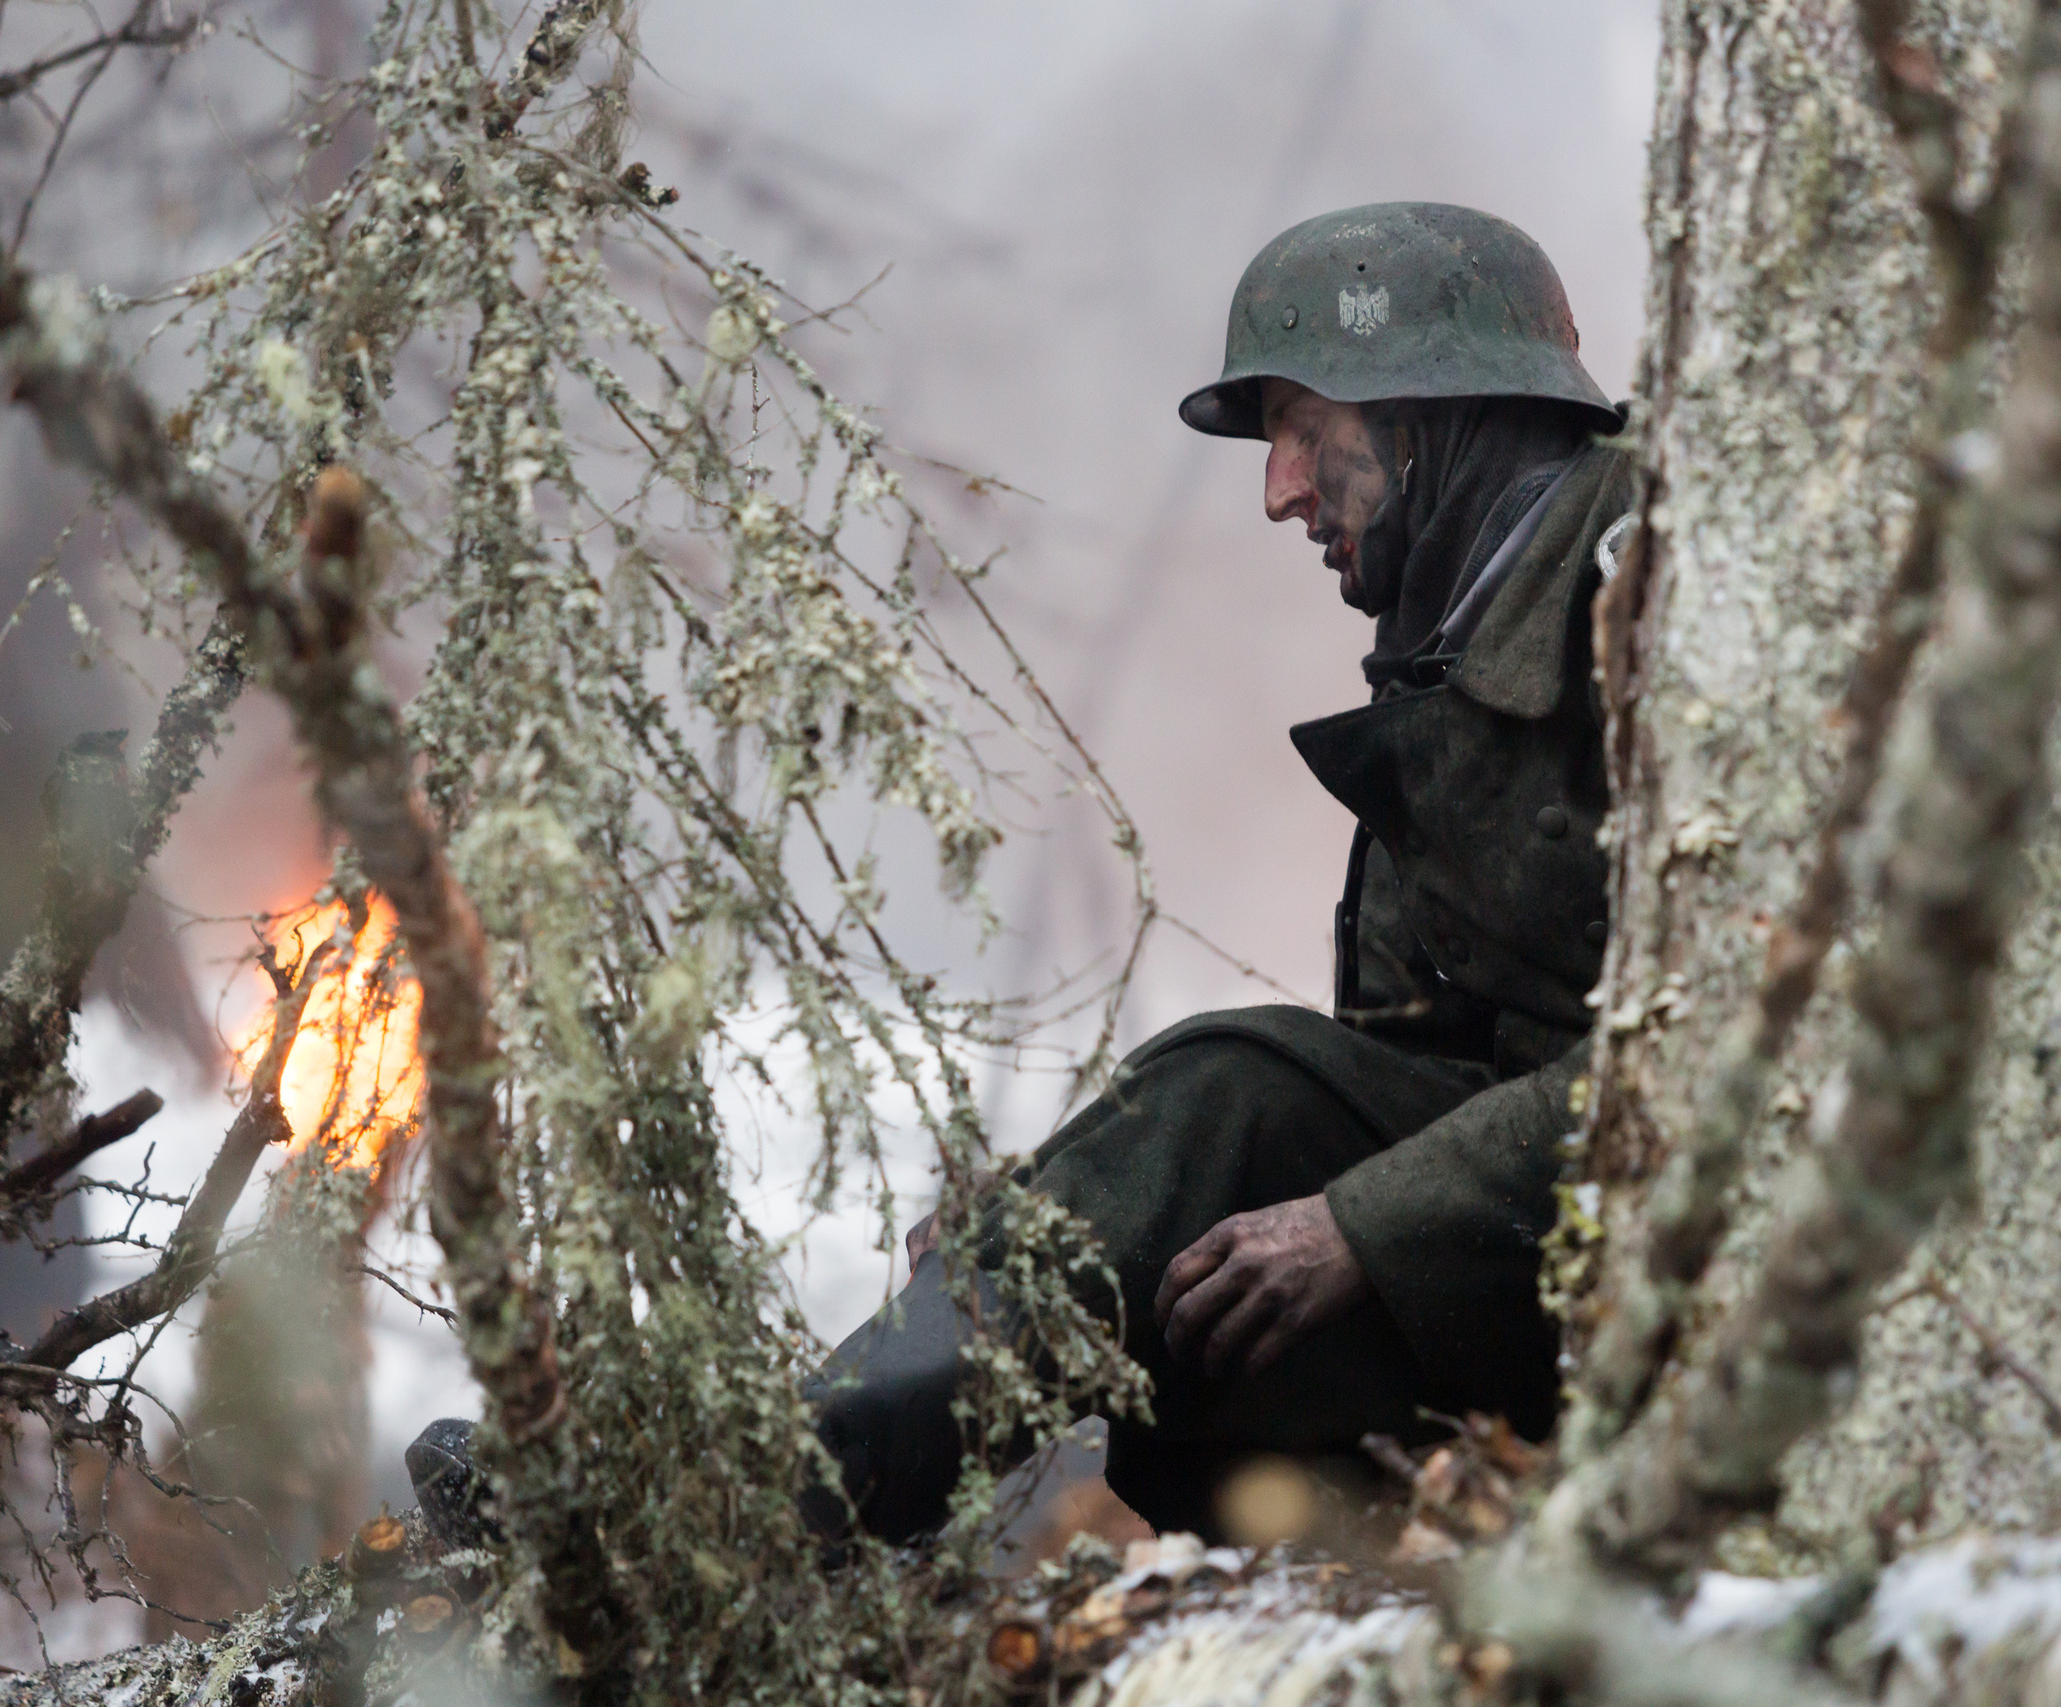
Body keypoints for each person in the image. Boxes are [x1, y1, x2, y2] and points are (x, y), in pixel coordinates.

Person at [409, 201, 1636, 1547]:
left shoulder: (1653, 592)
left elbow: (1740, 1046)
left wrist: (1366, 1222)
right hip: (1540, 1258)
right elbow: (1402, 1077)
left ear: (1426, 407)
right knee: (1206, 1154)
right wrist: (1071, 1206)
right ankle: (758, 1514)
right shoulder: (1462, 638)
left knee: (1229, 1101)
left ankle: (725, 1524)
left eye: (1302, 426)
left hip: (1676, 1280)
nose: (1279, 488)